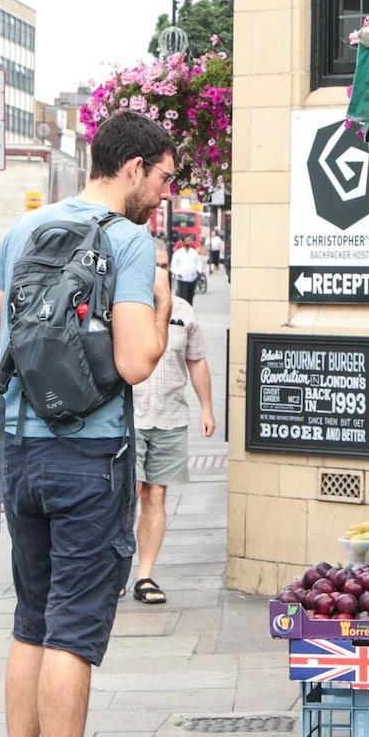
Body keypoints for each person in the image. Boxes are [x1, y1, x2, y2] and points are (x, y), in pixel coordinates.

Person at [0, 110, 176, 737]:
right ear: (131, 169)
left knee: (32, 617)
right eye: (162, 176)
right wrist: (158, 305)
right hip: (88, 458)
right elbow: (134, 362)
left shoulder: (25, 230)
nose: (163, 192)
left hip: (21, 450)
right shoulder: (126, 240)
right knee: (73, 630)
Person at [129, 241, 215, 606]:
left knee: (157, 493)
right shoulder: (124, 310)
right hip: (128, 416)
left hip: (169, 415)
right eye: (154, 265)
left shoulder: (183, 311)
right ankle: (114, 570)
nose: (160, 272)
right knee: (126, 494)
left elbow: (196, 360)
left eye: (164, 265)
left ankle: (145, 574)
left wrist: (206, 407)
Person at [169, 239, 204, 303]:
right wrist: (177, 273)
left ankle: (190, 309)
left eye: (189, 240)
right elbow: (173, 265)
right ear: (183, 242)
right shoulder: (178, 253)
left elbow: (199, 263)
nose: (188, 242)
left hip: (193, 278)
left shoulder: (194, 252)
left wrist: (199, 271)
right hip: (182, 278)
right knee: (183, 295)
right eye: (187, 240)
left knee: (190, 295)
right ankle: (184, 311)